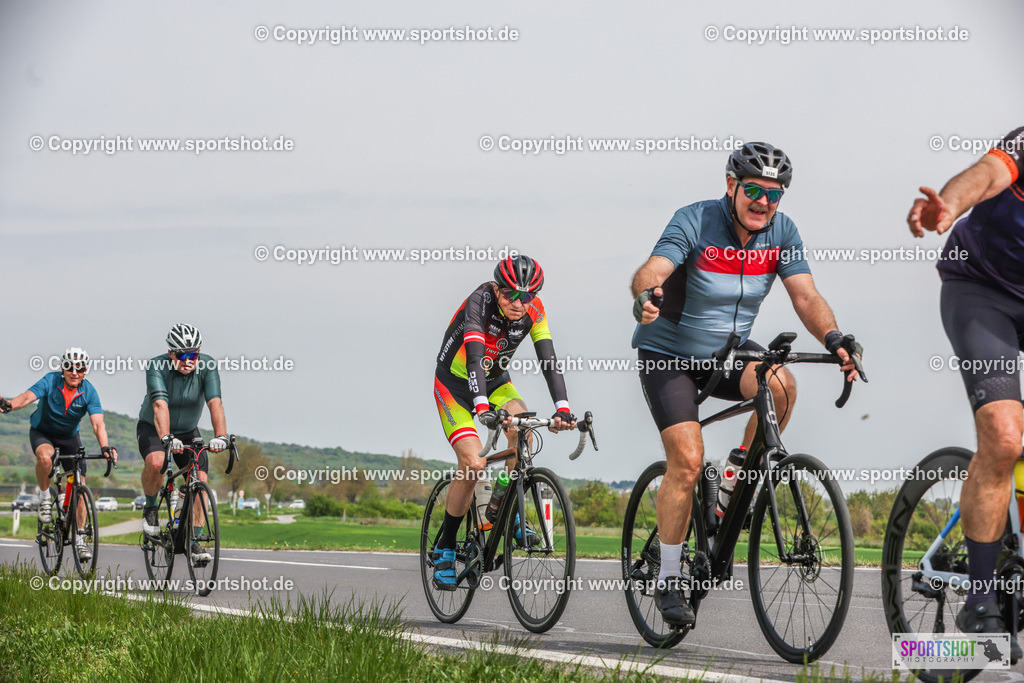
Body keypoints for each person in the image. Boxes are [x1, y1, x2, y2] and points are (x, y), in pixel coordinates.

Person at [631, 142, 860, 628]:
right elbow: (656, 267)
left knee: (781, 384)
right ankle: (670, 576)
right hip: (668, 354)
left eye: (773, 195)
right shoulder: (695, 219)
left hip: (728, 353)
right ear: (731, 186)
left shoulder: (783, 232)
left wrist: (835, 336)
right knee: (688, 460)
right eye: (753, 190)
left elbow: (805, 295)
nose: (763, 202)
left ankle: (734, 480)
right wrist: (646, 293)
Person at [907, 125, 1024, 660]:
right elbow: (986, 174)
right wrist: (949, 204)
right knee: (1003, 438)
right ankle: (979, 597)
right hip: (982, 290)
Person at [430, 255, 576, 590]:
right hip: (455, 385)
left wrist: (563, 408)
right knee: (472, 463)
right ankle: (445, 546)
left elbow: (548, 359)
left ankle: (499, 512)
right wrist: (481, 406)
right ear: (497, 289)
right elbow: (475, 354)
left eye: (526, 296)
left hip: (496, 383)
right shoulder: (479, 301)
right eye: (511, 294)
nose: (518, 303)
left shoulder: (535, 310)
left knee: (521, 429)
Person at [0, 348, 117, 561]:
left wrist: (105, 447)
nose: (74, 372)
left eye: (79, 368)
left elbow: (98, 423)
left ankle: (80, 539)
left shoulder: (89, 391)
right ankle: (45, 497)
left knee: (80, 486)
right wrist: (9, 405)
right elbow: (27, 397)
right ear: (62, 368)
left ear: (85, 370)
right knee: (45, 458)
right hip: (42, 433)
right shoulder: (51, 381)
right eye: (69, 367)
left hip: (69, 438)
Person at [138, 324, 228, 564]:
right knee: (157, 461)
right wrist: (166, 436)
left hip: (188, 431)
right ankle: (150, 507)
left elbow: (215, 402)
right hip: (155, 428)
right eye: (182, 355)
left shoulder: (208, 366)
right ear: (170, 354)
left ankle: (194, 542)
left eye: (193, 354)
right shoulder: (157, 366)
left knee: (200, 480)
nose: (188, 360)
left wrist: (221, 436)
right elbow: (159, 405)